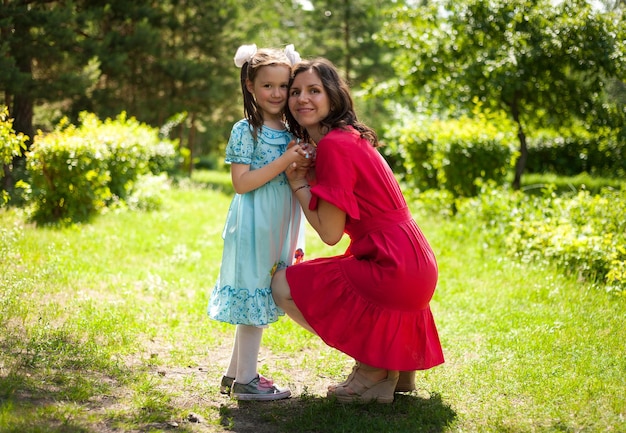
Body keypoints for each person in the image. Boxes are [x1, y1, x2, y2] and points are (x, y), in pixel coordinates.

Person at [271, 58, 445, 404]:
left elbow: (330, 233)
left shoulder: (335, 145)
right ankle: (385, 372)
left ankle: (373, 367)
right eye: (295, 92)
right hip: (412, 257)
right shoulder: (348, 136)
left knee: (282, 286)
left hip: (394, 266)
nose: (302, 99)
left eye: (314, 91)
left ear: (334, 97)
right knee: (327, 281)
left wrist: (298, 183)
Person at [208, 43, 310, 401]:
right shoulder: (246, 129)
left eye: (284, 86)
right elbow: (242, 183)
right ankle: (248, 382)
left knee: (264, 287)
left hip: (279, 222)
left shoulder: (291, 128)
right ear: (251, 86)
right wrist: (284, 161)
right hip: (254, 223)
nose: (278, 94)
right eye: (268, 85)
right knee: (254, 289)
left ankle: (235, 373)